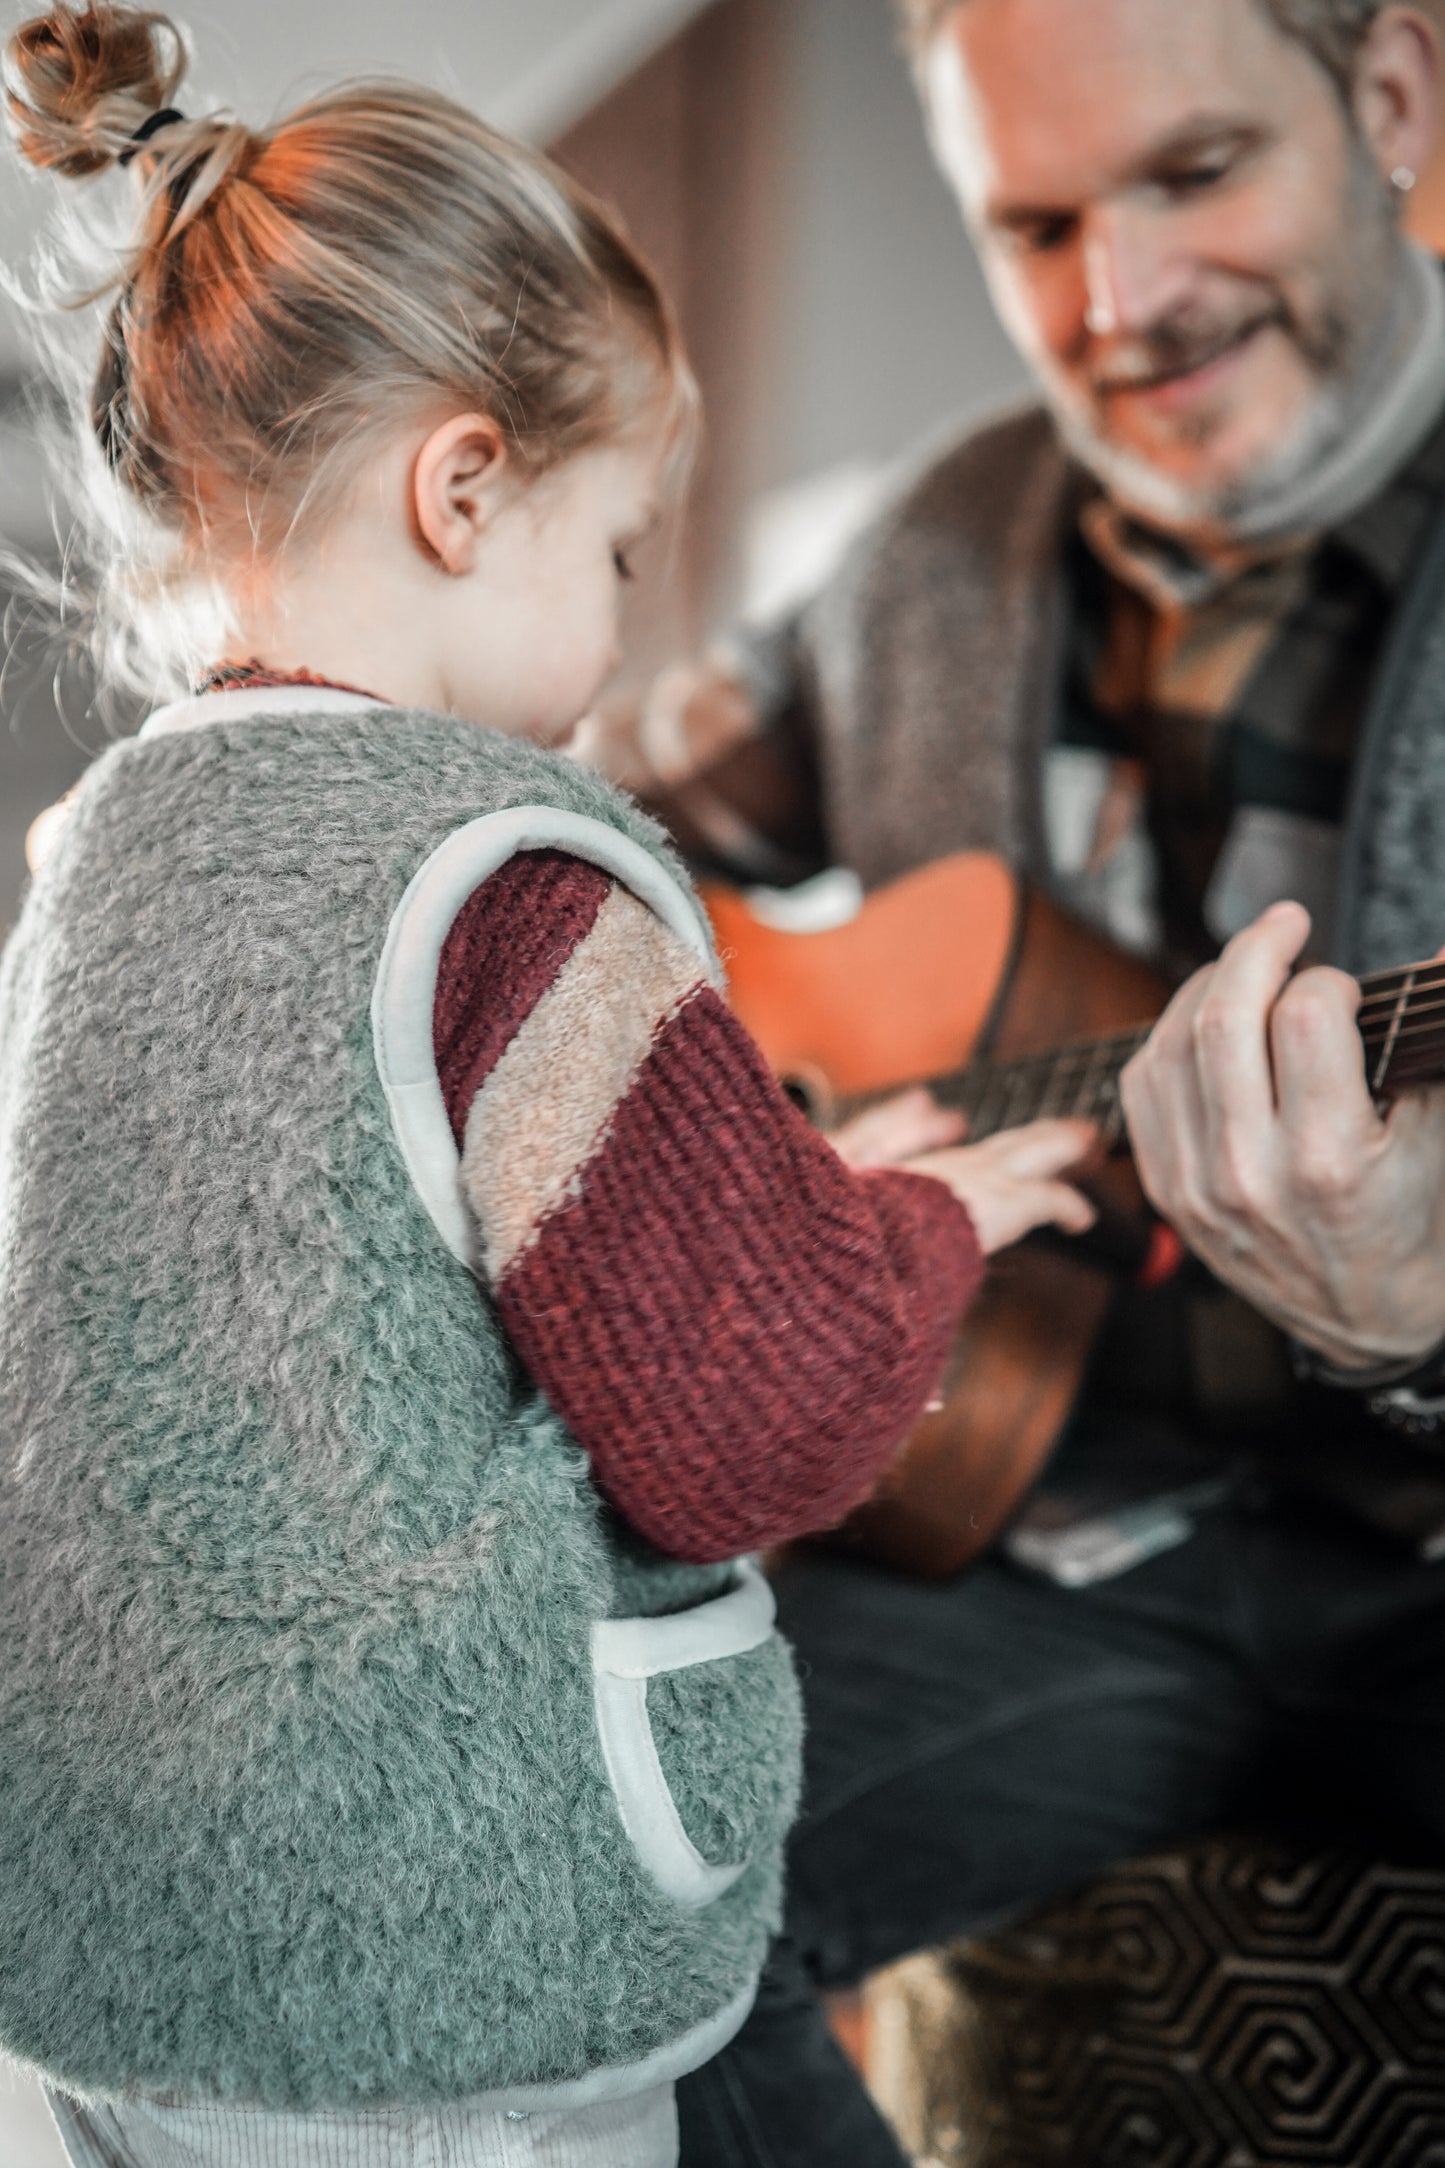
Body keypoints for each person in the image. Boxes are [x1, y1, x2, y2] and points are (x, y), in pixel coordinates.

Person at [0, 10, 1098, 2168]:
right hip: (426, 2002)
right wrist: (928, 1224)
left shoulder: (89, 875)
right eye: (617, 551)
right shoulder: (514, 883)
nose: (624, 621)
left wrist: (773, 1178)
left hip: (104, 1984)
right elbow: (756, 1411)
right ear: (466, 485)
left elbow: (322, 1296)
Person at [585, 1, 1445, 2161]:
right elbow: (582, 842)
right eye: (1035, 220)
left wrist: (1414, 1329)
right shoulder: (931, 541)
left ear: (1401, 100)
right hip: (1040, 1544)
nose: (1118, 301)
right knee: (575, 1889)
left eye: (1190, 175)